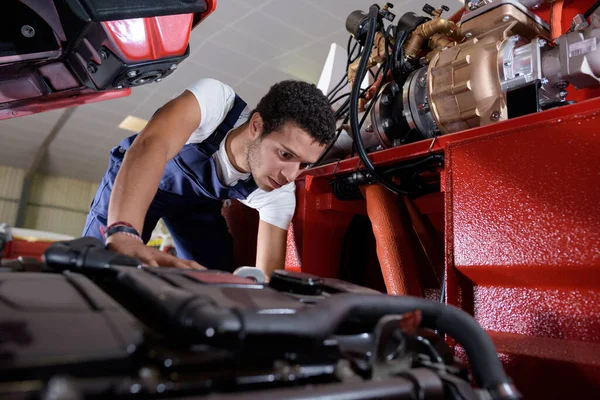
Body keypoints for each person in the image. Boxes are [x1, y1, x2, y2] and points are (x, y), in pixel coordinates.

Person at [82, 78, 336, 277]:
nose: (291, 175)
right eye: (285, 154)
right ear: (256, 125)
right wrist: (124, 233)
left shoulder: (278, 192)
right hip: (140, 176)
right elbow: (151, 146)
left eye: (303, 164)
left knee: (216, 280)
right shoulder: (215, 102)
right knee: (98, 266)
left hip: (195, 206)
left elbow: (267, 278)